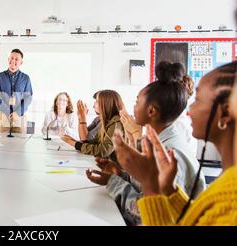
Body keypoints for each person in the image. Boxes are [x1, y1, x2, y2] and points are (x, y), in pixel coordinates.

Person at [113, 62, 237, 225]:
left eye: (198, 100)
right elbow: (194, 219)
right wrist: (170, 190)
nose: (189, 108)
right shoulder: (226, 181)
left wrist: (150, 187)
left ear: (226, 113)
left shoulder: (230, 203)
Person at [87, 71, 205, 225]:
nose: (133, 107)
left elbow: (147, 214)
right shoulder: (157, 139)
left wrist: (112, 182)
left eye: (137, 102)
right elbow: (143, 186)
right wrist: (119, 174)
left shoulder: (169, 154)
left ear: (151, 111)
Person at [60, 90, 124, 160]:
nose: (93, 105)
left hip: (113, 168)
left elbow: (103, 150)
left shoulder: (116, 123)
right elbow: (86, 140)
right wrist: (80, 118)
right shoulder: (100, 119)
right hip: (103, 163)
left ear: (105, 104)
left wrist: (71, 142)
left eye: (96, 101)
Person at [0, 49, 33, 133]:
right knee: (1, 142)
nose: (13, 61)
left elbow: (28, 98)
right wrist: (8, 112)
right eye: (11, 58)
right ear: (8, 59)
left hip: (19, 117)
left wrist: (17, 113)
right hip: (3, 116)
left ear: (21, 62)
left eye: (16, 59)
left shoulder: (26, 78)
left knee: (21, 143)